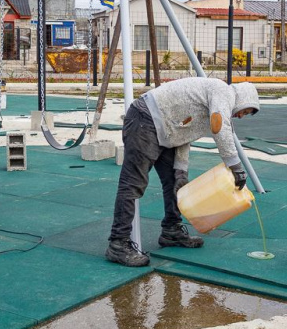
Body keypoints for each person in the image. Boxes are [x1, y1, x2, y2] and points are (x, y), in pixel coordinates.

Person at [106, 77, 260, 267]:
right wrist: (235, 165)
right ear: (242, 100)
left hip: (164, 127)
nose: (242, 116)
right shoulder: (224, 92)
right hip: (144, 119)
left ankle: (172, 230)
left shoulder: (213, 101)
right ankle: (118, 243)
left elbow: (184, 132)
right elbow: (220, 128)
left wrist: (181, 169)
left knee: (175, 182)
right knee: (132, 184)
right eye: (245, 111)